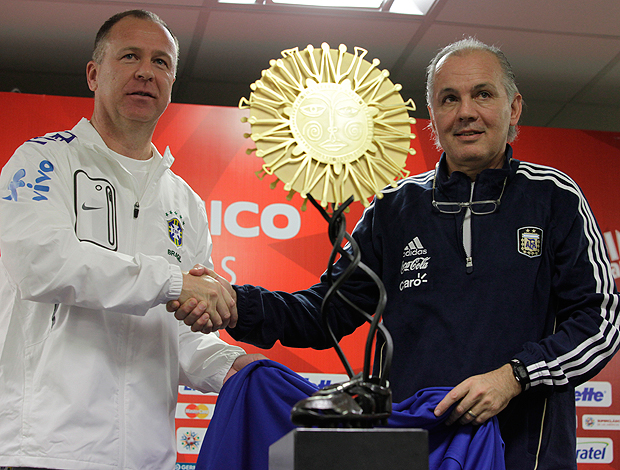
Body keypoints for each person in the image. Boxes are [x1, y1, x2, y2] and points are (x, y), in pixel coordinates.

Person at [178, 38, 620, 469]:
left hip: (526, 453)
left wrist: (514, 376)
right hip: (417, 451)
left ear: (514, 107)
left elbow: (600, 322)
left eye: (482, 94)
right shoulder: (394, 208)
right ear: (432, 115)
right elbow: (324, 312)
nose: (466, 111)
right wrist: (238, 304)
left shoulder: (554, 197)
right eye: (449, 99)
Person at [0, 10, 264, 470]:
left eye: (161, 62)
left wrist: (237, 367)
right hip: (45, 450)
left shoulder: (186, 202)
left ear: (171, 83)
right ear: (94, 73)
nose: (146, 71)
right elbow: (41, 265)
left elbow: (182, 338)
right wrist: (175, 282)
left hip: (149, 457)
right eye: (130, 56)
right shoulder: (42, 160)